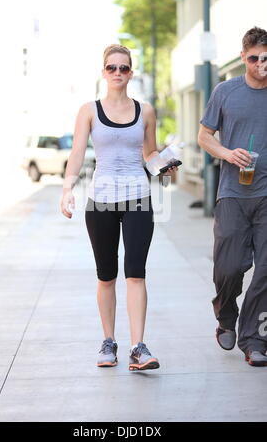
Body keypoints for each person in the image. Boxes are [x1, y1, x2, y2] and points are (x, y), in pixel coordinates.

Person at [60, 44, 176, 371]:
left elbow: (150, 156)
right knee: (107, 276)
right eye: (111, 68)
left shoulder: (146, 110)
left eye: (123, 68)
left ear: (131, 73)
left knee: (136, 273)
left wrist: (167, 166)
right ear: (103, 72)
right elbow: (78, 154)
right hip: (100, 202)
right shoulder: (89, 111)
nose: (117, 73)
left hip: (138, 198)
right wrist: (67, 189)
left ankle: (138, 348)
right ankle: (108, 341)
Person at [198, 27, 267, 367]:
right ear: (243, 57)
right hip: (232, 194)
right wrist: (226, 153)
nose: (259, 64)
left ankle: (254, 339)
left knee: (266, 269)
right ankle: (226, 316)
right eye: (253, 58)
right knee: (228, 267)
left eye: (265, 58)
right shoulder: (226, 91)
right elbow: (204, 136)